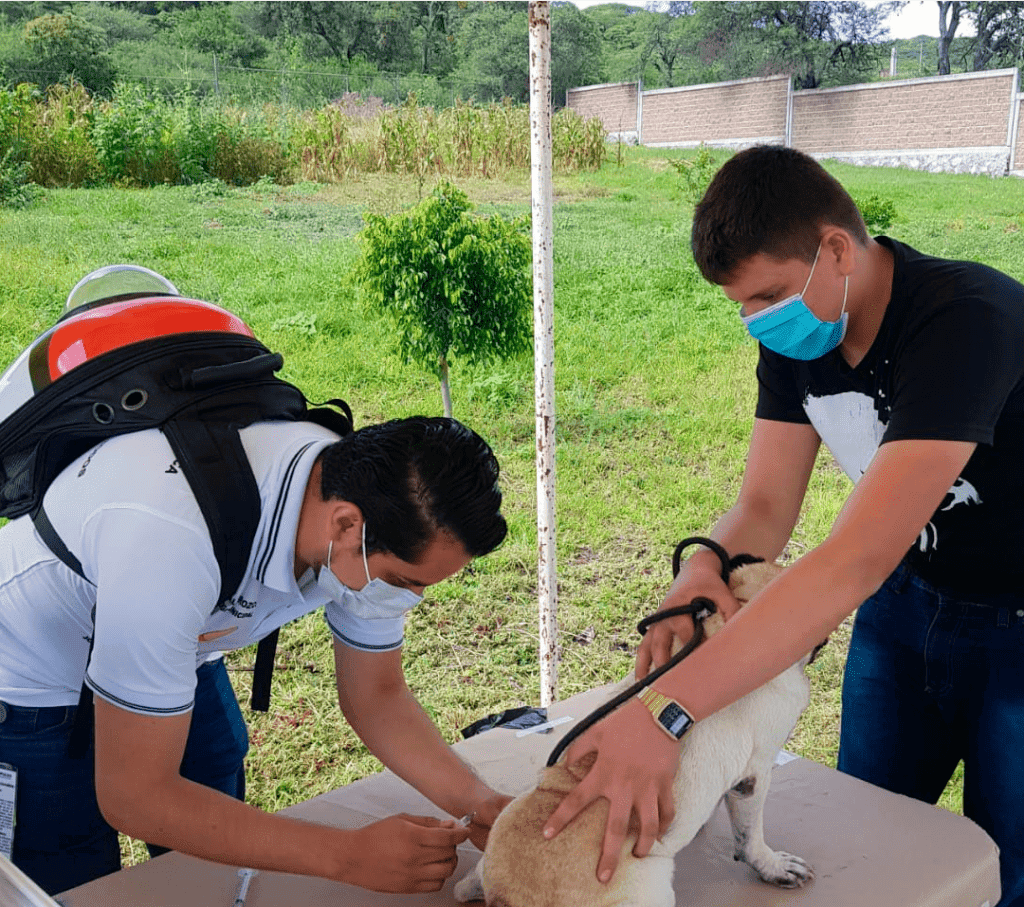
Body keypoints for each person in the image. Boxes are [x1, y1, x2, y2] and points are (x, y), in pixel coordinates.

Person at [542, 144, 1024, 907]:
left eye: (766, 295)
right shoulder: (804, 338)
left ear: (835, 249)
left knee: (1005, 861)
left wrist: (665, 712)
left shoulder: (968, 320)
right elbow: (765, 506)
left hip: (1014, 622)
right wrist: (701, 567)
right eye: (741, 305)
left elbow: (852, 559)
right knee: (869, 831)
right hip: (906, 603)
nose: (756, 321)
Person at [0, 413, 513, 895]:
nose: (410, 598)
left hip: (181, 647)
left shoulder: (366, 504)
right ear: (344, 525)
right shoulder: (169, 541)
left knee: (211, 857)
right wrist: (348, 855)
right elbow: (134, 796)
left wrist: (479, 803)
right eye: (404, 582)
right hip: (31, 686)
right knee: (73, 880)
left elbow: (376, 697)